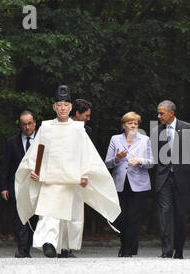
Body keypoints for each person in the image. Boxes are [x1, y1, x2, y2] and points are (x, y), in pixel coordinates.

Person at [15, 85, 121, 258]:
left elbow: (86, 153)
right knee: (48, 212)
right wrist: (35, 170)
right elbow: (37, 150)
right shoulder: (46, 127)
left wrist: (85, 173)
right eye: (59, 104)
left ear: (71, 107)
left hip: (72, 178)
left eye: (66, 105)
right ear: (54, 107)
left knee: (68, 216)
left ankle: (64, 248)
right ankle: (48, 243)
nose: (62, 108)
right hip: (50, 177)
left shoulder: (79, 129)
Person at [105, 112, 154, 257]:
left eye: (136, 123)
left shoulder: (145, 140)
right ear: (123, 125)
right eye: (130, 123)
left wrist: (140, 160)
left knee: (134, 218)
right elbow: (107, 163)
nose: (133, 125)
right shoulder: (115, 139)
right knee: (121, 218)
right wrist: (117, 158)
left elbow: (152, 162)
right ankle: (127, 245)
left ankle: (127, 250)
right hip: (120, 183)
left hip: (139, 184)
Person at [154, 100, 190, 259]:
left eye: (161, 113)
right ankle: (166, 251)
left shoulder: (188, 128)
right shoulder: (157, 131)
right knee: (165, 213)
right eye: (158, 113)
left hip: (182, 178)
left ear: (171, 113)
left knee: (180, 215)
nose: (159, 116)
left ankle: (179, 250)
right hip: (164, 177)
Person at [0, 110, 38, 258]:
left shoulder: (42, 142)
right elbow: (6, 167)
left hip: (36, 186)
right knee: (19, 218)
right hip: (17, 186)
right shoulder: (12, 142)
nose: (27, 128)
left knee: (34, 218)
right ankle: (22, 250)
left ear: (35, 123)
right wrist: (3, 187)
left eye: (29, 124)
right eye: (24, 125)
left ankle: (30, 245)